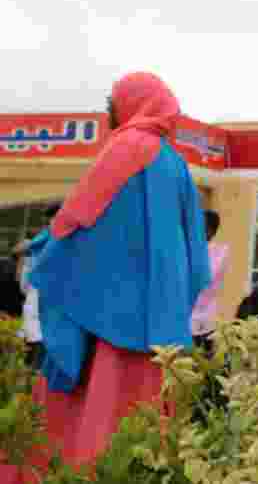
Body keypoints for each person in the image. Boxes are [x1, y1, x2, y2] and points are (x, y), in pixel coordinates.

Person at [27, 72, 211, 469]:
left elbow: (76, 217)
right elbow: (196, 255)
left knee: (87, 426)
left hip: (104, 324)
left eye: (113, 100)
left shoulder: (126, 147)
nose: (109, 108)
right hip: (157, 328)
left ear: (132, 103)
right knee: (141, 433)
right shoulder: (174, 163)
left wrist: (45, 249)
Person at [12, 204, 61, 370]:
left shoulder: (53, 237)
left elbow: (21, 248)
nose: (47, 224)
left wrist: (24, 250)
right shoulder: (41, 244)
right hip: (35, 316)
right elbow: (24, 286)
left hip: (45, 318)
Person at [191, 210, 230, 352]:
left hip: (203, 320)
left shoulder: (218, 253)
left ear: (210, 232)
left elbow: (202, 279)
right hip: (185, 320)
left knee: (202, 365)